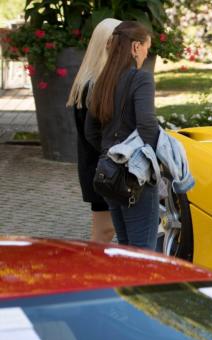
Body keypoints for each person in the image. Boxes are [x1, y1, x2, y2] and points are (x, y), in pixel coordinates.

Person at [85, 20, 160, 250]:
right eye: (146, 47)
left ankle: (123, 286)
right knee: (142, 251)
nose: (146, 54)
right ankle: (137, 287)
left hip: (108, 174)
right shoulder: (141, 78)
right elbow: (147, 125)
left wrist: (112, 153)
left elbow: (91, 131)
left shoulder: (102, 80)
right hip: (135, 176)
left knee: (126, 249)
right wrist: (155, 162)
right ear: (136, 47)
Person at [67, 17, 121, 244]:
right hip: (103, 168)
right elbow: (95, 134)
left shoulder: (91, 81)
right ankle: (91, 274)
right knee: (105, 231)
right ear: (109, 44)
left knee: (106, 230)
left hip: (97, 167)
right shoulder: (96, 85)